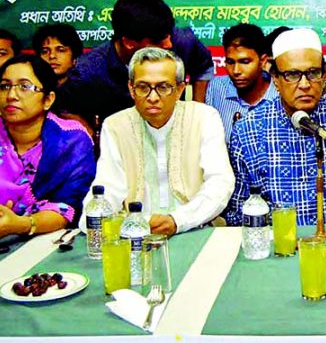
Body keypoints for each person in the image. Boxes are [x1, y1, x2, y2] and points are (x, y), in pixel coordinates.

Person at [224, 28, 326, 226]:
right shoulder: (247, 132)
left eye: (313, 73)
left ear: (324, 75)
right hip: (273, 250)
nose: (304, 84)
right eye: (292, 74)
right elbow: (240, 212)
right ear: (275, 78)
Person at [83, 47, 234, 235]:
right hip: (135, 234)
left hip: (195, 228)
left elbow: (220, 183)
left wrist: (178, 220)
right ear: (131, 89)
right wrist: (96, 217)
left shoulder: (204, 118)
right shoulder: (115, 126)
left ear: (179, 89)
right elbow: (108, 187)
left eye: (163, 87)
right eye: (143, 87)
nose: (153, 97)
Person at [0, 55, 95, 239]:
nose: (11, 96)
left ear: (48, 99)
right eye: (4, 86)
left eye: (24, 86)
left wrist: (20, 224)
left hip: (52, 242)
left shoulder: (71, 142)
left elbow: (69, 206)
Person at [58, 0, 214, 128]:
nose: (168, 44)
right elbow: (63, 109)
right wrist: (89, 136)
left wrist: (195, 111)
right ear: (129, 43)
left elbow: (204, 67)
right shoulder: (88, 71)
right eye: (158, 41)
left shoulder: (182, 40)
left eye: (168, 35)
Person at [205, 23, 278, 142]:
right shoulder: (216, 88)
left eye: (245, 62)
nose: (236, 71)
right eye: (230, 62)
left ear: (263, 61)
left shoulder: (280, 93)